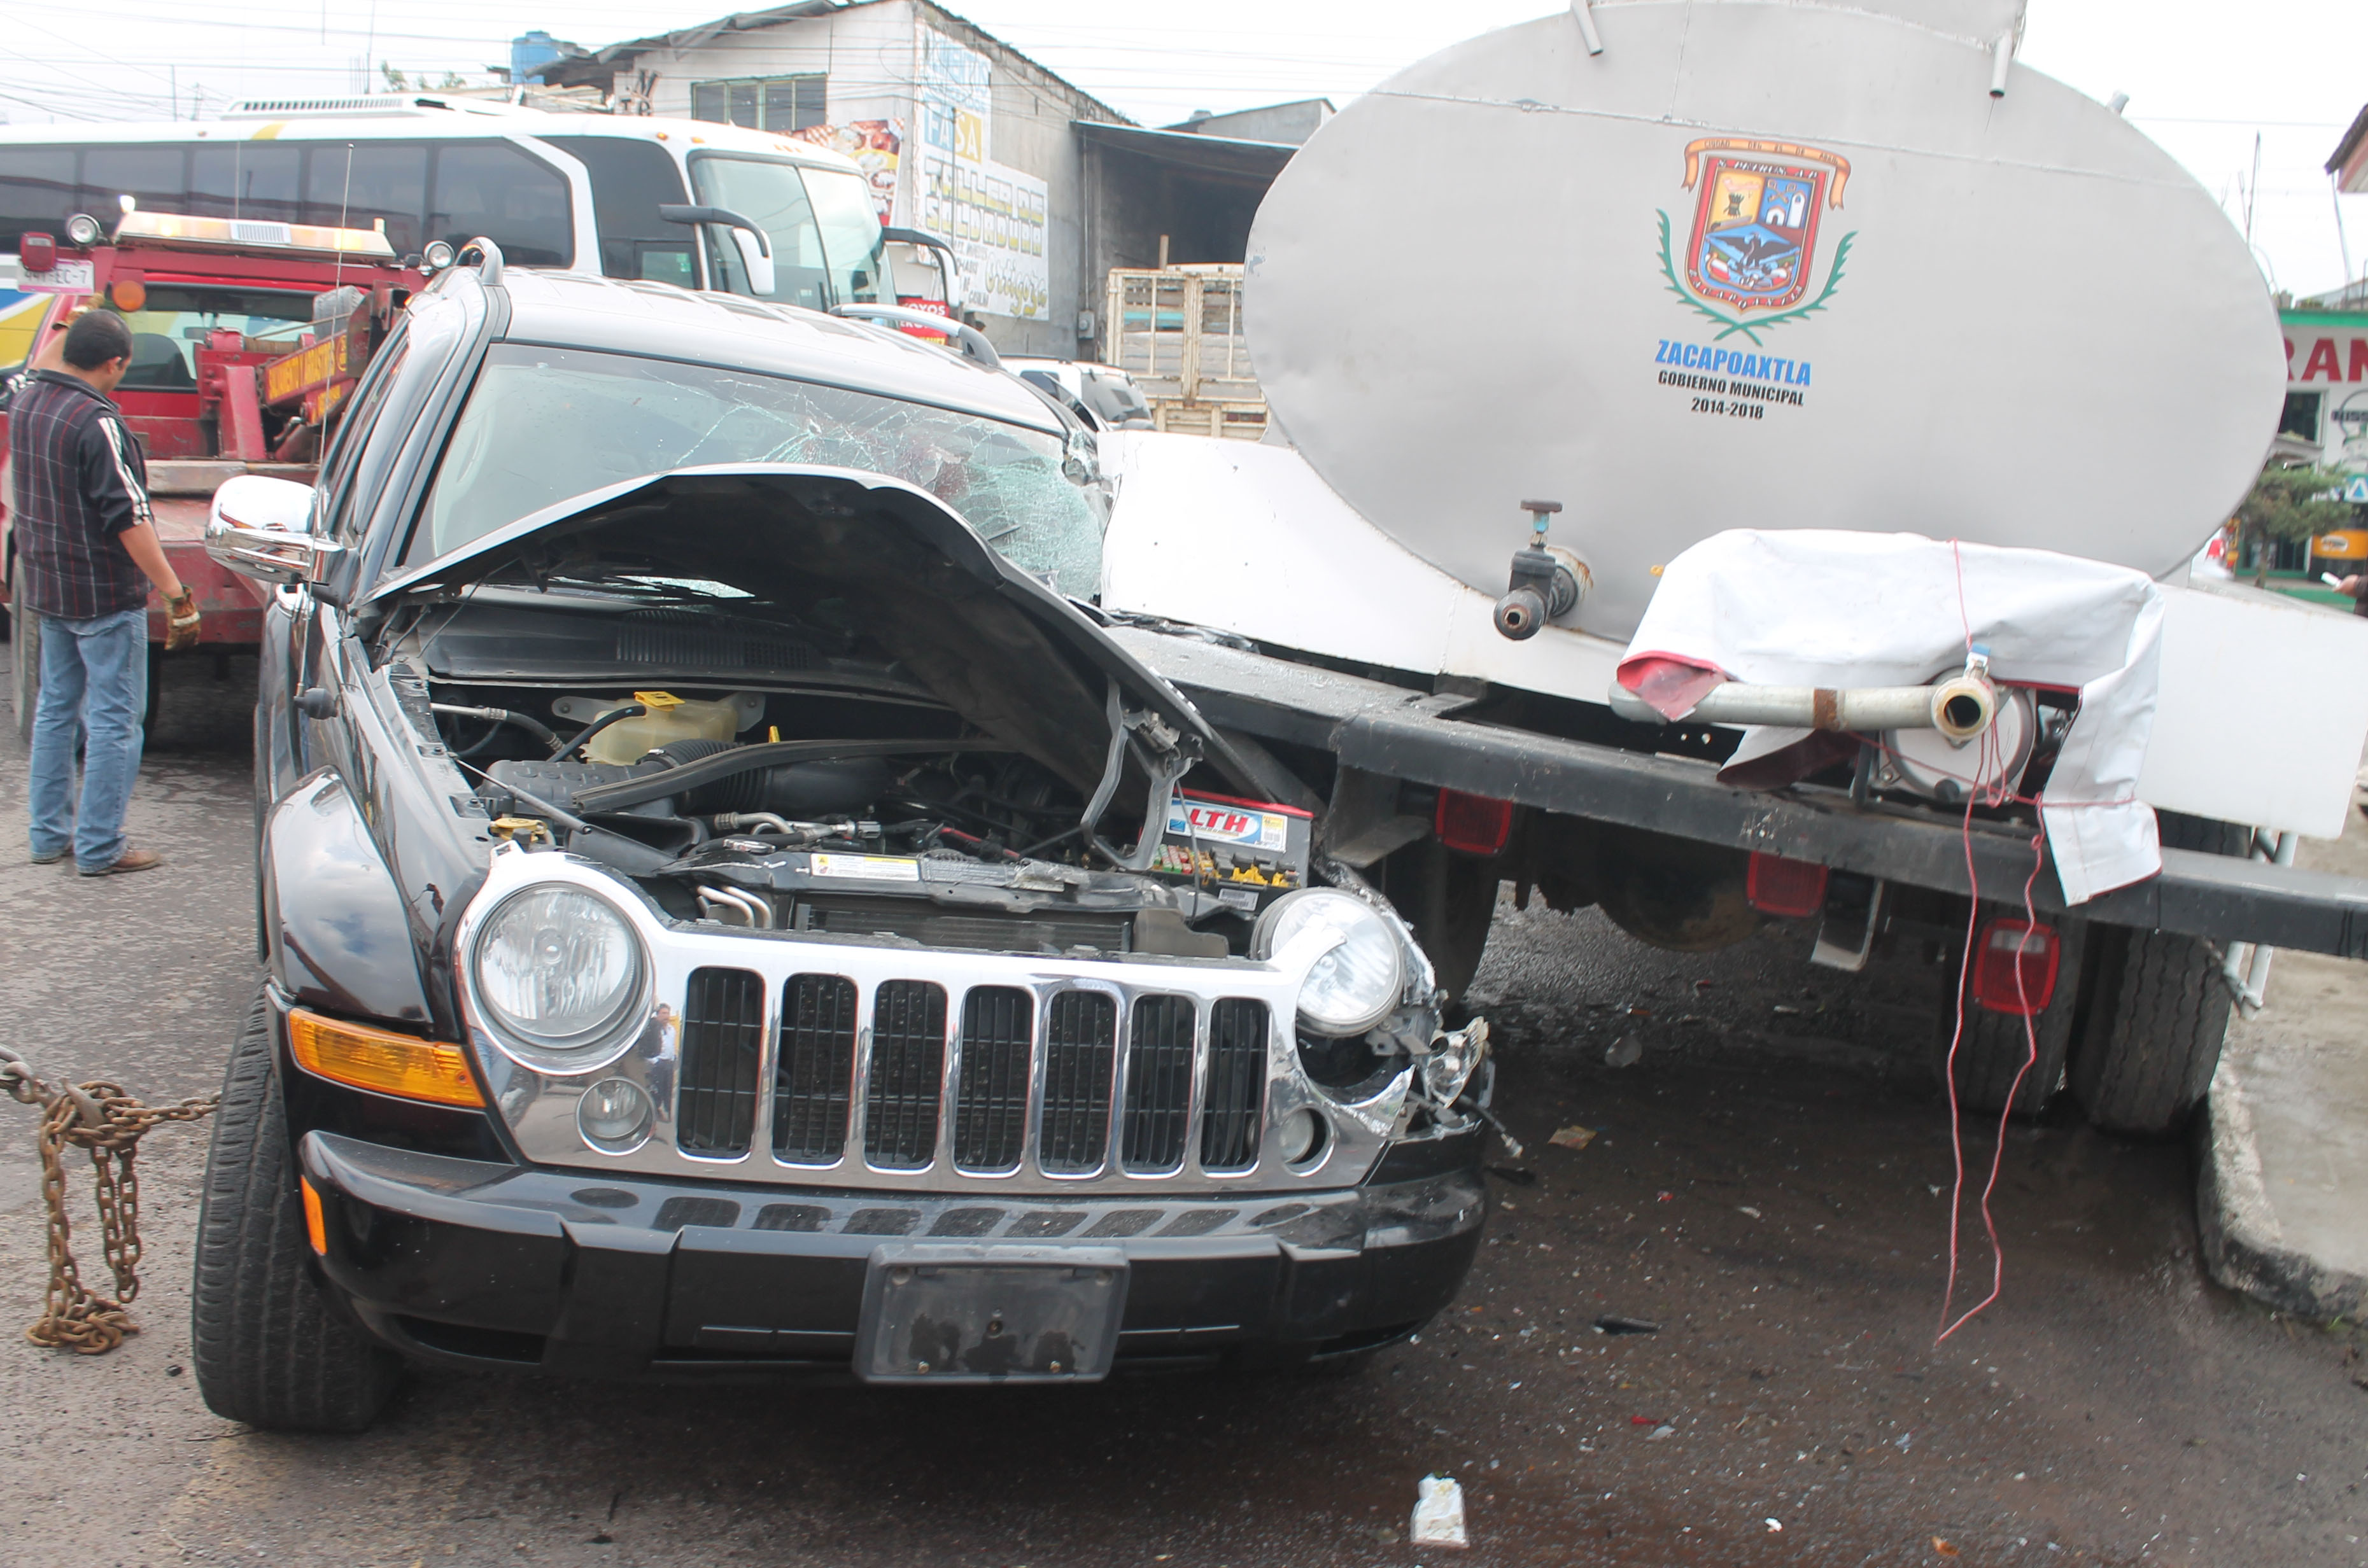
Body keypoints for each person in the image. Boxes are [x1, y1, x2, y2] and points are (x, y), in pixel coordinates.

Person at [11, 307, 200, 875]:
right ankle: (99, 848)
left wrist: (76, 320)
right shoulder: (96, 423)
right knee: (116, 721)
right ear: (115, 364)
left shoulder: (26, 402)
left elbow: (51, 361)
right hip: (102, 596)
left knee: (55, 711)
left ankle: (48, 837)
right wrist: (174, 592)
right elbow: (129, 516)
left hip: (49, 588)